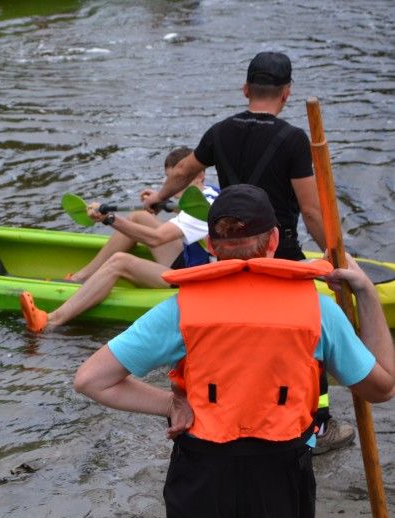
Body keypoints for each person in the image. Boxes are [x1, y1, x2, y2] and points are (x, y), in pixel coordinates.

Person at [73, 184, 394, 518]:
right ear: (275, 241)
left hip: (203, 478)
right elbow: (382, 387)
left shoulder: (180, 310)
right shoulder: (318, 310)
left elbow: (91, 380)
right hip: (280, 479)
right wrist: (366, 293)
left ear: (210, 245)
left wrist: (171, 405)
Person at [140, 51, 350, 453]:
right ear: (287, 94)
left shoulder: (219, 131)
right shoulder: (292, 139)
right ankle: (317, 425)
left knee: (230, 332)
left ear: (245, 89)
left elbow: (184, 171)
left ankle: (223, 407)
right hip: (279, 253)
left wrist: (158, 198)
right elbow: (309, 209)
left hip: (230, 254)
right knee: (304, 339)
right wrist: (336, 257)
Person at [19, 146, 218, 333]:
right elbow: (187, 211)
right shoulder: (209, 194)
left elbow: (157, 238)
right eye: (172, 181)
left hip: (196, 283)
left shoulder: (202, 208)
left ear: (200, 174)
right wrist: (162, 200)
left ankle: (49, 321)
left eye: (182, 180)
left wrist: (109, 219)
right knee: (138, 216)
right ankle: (80, 279)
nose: (175, 188)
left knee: (119, 262)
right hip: (195, 263)